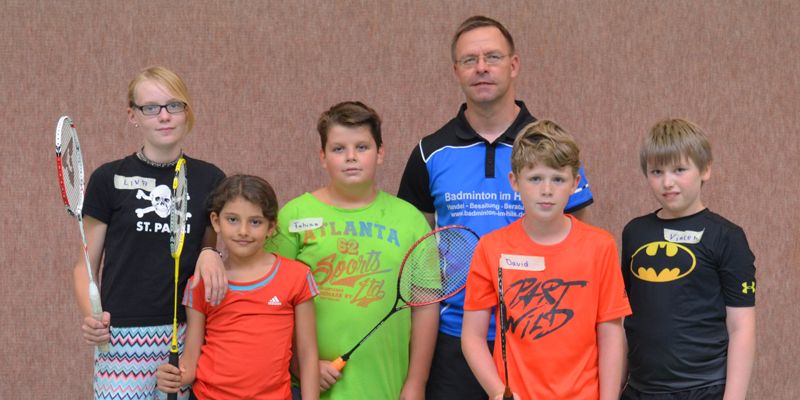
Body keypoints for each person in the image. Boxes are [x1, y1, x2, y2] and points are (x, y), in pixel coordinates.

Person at [397, 15, 594, 399]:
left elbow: (580, 243)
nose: (482, 68)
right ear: (456, 70)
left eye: (493, 56)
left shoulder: (550, 149)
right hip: (454, 339)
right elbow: (420, 255)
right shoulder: (430, 152)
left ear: (514, 64)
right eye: (469, 60)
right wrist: (416, 380)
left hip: (536, 338)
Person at [265, 101, 439, 399]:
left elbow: (425, 306)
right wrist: (298, 364)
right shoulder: (293, 217)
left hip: (386, 387)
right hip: (309, 388)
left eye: (362, 147)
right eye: (338, 149)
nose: (351, 157)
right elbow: (270, 304)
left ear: (380, 153)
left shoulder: (409, 219)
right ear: (322, 157)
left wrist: (416, 383)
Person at [73, 66, 226, 400]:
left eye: (174, 105)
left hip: (187, 333)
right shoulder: (108, 178)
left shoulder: (211, 178)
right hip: (121, 336)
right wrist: (92, 317)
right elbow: (84, 265)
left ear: (186, 111)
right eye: (151, 108)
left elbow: (210, 250)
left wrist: (212, 254)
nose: (164, 116)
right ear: (133, 116)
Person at [461, 120, 630, 400]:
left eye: (558, 179)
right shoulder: (491, 248)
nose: (547, 190)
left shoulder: (601, 246)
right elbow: (473, 336)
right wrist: (496, 390)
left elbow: (611, 333)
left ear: (575, 184)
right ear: (514, 181)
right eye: (535, 178)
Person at [621, 118, 756, 400]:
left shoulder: (727, 236)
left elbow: (741, 327)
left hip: (703, 390)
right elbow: (623, 317)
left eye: (679, 170)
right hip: (641, 389)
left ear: (705, 169)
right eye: (656, 171)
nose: (667, 182)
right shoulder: (635, 232)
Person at [156, 175, 320, 399]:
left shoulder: (297, 277)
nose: (243, 231)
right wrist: (174, 376)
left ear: (271, 226)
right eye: (232, 219)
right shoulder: (201, 282)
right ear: (216, 222)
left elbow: (308, 355)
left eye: (255, 222)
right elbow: (190, 361)